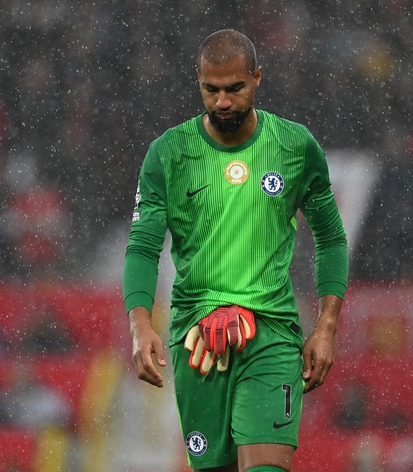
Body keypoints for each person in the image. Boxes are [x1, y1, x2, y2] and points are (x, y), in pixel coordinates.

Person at [123, 29, 348, 472]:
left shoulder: (294, 146)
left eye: (234, 89)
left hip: (271, 334)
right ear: (199, 83)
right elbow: (143, 248)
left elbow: (331, 238)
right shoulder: (167, 155)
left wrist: (326, 326)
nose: (222, 101)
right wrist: (140, 325)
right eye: (211, 90)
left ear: (257, 79)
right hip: (196, 340)